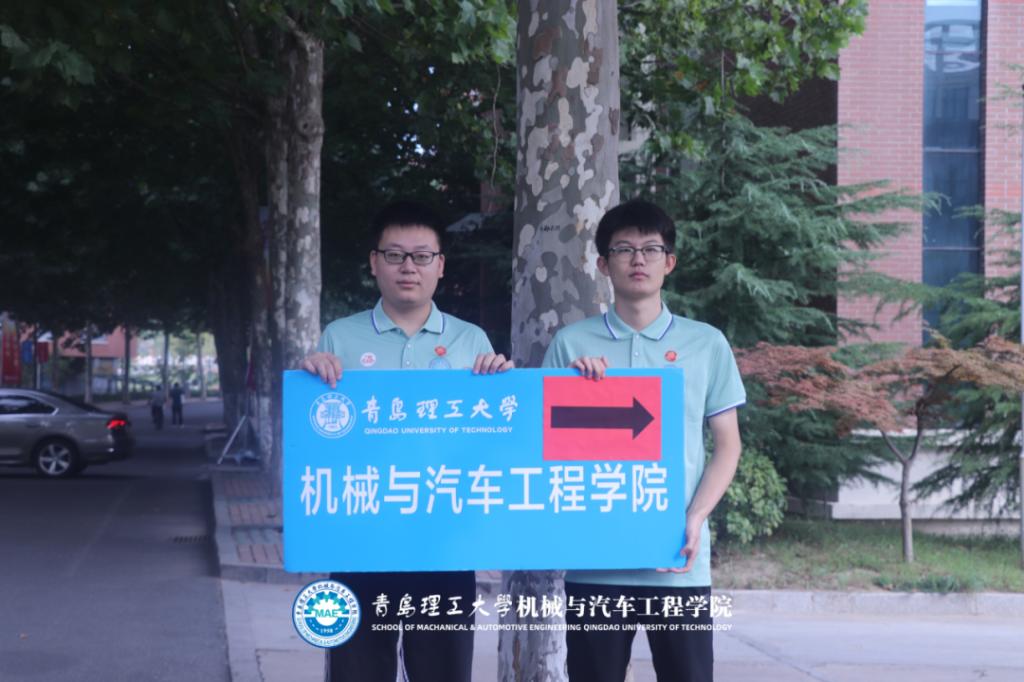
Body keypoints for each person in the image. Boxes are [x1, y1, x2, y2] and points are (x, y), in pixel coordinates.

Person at [300, 200, 513, 682]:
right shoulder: (339, 338)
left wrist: (502, 387)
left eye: (421, 256)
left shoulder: (471, 341)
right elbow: (320, 440)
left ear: (441, 265)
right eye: (395, 255)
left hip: (445, 547)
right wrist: (310, 379)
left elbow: (493, 442)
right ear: (374, 262)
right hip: (362, 543)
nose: (408, 267)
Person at [542, 199, 745, 682]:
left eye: (651, 249)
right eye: (624, 249)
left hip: (678, 560)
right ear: (602, 264)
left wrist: (694, 518)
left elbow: (728, 444)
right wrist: (573, 390)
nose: (638, 259)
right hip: (595, 561)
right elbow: (544, 448)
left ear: (669, 262)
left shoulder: (706, 343)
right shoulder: (571, 345)